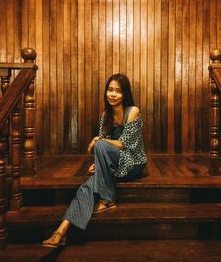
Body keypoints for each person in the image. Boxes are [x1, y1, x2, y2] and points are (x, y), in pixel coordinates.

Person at [42, 73, 147, 247]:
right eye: (110, 90)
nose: (113, 94)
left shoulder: (132, 111)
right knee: (87, 187)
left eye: (118, 91)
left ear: (125, 94)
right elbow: (104, 150)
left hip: (133, 163)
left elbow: (123, 144)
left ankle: (108, 199)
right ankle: (61, 231)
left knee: (99, 144)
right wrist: (99, 163)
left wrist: (99, 141)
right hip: (115, 164)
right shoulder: (105, 115)